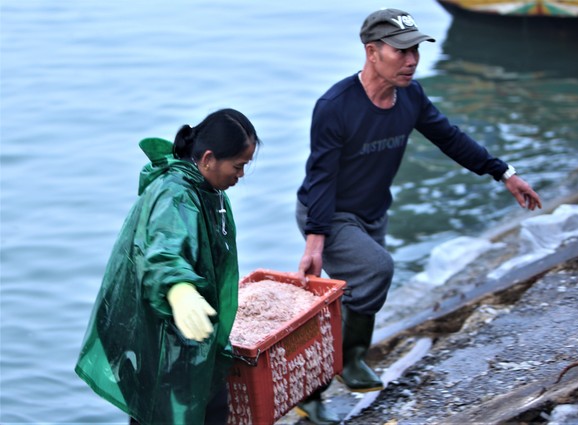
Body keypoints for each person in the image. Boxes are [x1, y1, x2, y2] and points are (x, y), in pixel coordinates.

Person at [294, 8, 541, 425]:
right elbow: (321, 177)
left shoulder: (410, 96)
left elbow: (449, 137)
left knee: (358, 296)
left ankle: (318, 387)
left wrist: (503, 172)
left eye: (416, 51)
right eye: (401, 51)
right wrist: (315, 240)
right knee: (376, 271)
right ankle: (345, 365)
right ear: (372, 52)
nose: (411, 60)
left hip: (373, 212)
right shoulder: (334, 106)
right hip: (330, 213)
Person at [75, 108, 260, 425]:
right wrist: (179, 290)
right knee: (162, 414)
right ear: (208, 159)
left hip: (191, 332)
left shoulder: (209, 190)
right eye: (238, 166)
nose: (240, 175)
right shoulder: (174, 195)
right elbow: (162, 251)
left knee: (206, 409)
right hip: (161, 332)